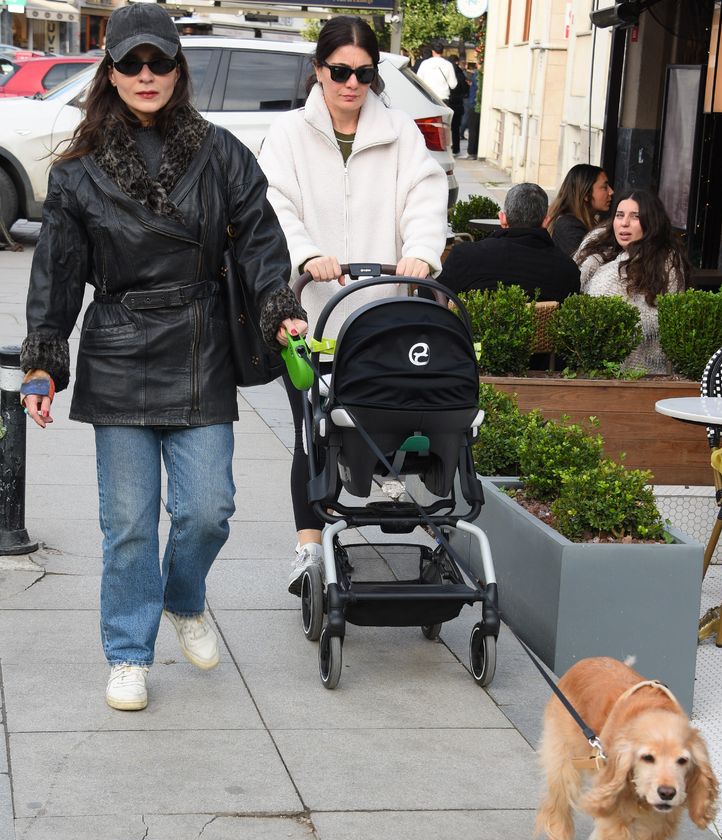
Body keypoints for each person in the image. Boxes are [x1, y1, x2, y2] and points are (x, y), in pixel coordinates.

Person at [19, 2, 305, 712]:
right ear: (109, 73)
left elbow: (262, 243)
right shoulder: (78, 173)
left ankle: (183, 598)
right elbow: (55, 272)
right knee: (128, 524)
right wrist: (43, 361)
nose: (146, 75)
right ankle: (127, 651)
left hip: (200, 342)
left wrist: (281, 308)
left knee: (209, 509)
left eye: (159, 61)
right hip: (118, 346)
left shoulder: (221, 152)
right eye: (131, 62)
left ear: (179, 69)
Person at [259, 15, 447, 595]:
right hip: (311, 315)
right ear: (319, 70)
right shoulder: (289, 135)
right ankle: (308, 549)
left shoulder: (401, 133)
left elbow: (423, 195)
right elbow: (274, 207)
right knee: (312, 434)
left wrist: (419, 253)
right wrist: (308, 253)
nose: (350, 84)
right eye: (339, 71)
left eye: (363, 74)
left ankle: (387, 512)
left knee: (382, 425)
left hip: (380, 316)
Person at [574, 189, 690, 373]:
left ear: (651, 222)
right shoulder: (599, 255)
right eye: (619, 216)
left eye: (635, 217)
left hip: (645, 369)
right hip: (595, 365)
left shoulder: (665, 261)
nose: (624, 223)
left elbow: (659, 318)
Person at [437, 183, 580, 302]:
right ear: (546, 222)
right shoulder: (567, 270)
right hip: (541, 336)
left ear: (502, 219)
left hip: (471, 335)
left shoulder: (465, 256)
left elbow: (432, 298)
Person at [547, 164, 614, 256]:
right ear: (586, 194)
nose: (611, 192)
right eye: (604, 187)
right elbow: (582, 265)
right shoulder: (568, 226)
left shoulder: (580, 222)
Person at [416, 40, 456, 104]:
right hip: (443, 98)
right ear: (442, 51)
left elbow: (418, 81)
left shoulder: (425, 63)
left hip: (428, 97)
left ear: (432, 51)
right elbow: (453, 85)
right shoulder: (448, 65)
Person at [447, 55, 469, 155]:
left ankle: (446, 147)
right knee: (456, 127)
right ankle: (456, 148)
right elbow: (465, 89)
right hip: (458, 103)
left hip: (447, 102)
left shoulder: (447, 72)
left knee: (445, 126)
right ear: (457, 62)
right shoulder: (460, 74)